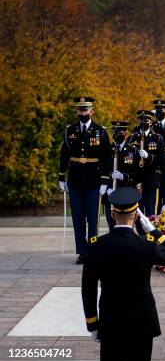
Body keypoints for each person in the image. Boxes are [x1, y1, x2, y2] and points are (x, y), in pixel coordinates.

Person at [81, 187, 165, 361]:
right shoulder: (146, 245)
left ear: (112, 214)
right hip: (141, 323)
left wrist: (92, 323)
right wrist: (154, 232)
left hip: (111, 322)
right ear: (136, 216)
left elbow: (88, 289)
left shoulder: (97, 246)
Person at [59, 97, 112, 264]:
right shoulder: (70, 130)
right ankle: (82, 251)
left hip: (93, 180)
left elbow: (106, 158)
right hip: (75, 180)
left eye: (86, 110)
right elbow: (64, 154)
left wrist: (105, 181)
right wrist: (61, 176)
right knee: (78, 218)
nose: (83, 113)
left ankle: (93, 250)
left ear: (92, 111)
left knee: (92, 218)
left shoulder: (101, 131)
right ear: (77, 111)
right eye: (80, 110)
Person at [103, 121, 142, 230]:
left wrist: (123, 176)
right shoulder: (107, 150)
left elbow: (138, 175)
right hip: (111, 192)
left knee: (127, 225)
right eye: (116, 131)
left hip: (126, 192)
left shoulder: (133, 151)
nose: (119, 134)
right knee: (112, 225)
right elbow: (101, 172)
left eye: (121, 131)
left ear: (126, 133)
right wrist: (107, 188)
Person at [128, 110, 165, 216]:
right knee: (138, 210)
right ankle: (140, 232)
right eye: (141, 120)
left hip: (151, 178)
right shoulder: (132, 138)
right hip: (137, 179)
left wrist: (149, 156)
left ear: (151, 121)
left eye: (146, 120)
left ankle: (150, 232)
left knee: (151, 210)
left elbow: (162, 160)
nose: (143, 122)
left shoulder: (157, 138)